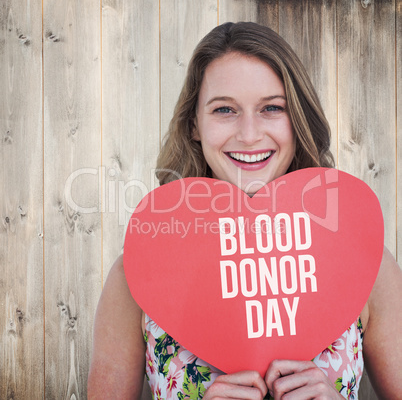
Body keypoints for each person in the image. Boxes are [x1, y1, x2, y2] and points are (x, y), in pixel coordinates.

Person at [88, 22, 402, 399]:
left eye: (272, 108)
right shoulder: (137, 275)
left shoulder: (366, 264)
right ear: (195, 125)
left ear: (297, 118)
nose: (249, 134)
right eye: (225, 109)